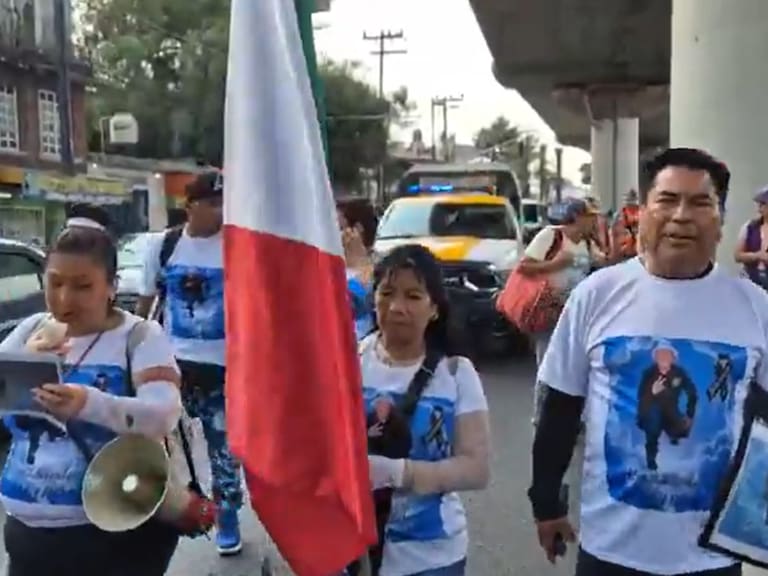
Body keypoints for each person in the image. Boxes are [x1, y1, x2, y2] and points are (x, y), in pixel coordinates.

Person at [529, 147, 764, 576]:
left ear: (721, 217)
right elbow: (560, 408)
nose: (681, 216)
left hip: (712, 558)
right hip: (611, 552)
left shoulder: (754, 308)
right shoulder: (597, 295)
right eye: (668, 200)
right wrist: (546, 502)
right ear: (643, 213)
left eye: (699, 203)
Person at [0, 204, 182, 575]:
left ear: (112, 287)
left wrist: (88, 402)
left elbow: (163, 412)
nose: (65, 299)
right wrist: (26, 363)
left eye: (83, 286)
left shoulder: (139, 336)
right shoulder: (31, 329)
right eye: (55, 283)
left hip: (111, 528)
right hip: (27, 532)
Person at [358, 244, 490, 576]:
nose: (397, 307)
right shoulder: (348, 360)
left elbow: (476, 469)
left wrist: (398, 473)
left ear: (434, 308)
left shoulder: (457, 374)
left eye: (413, 296)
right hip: (353, 552)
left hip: (433, 559)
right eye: (387, 292)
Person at [135, 171, 243, 556]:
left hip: (224, 370)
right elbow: (145, 305)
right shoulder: (164, 247)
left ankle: (227, 512)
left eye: (223, 202)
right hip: (172, 367)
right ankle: (168, 503)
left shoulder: (237, 247)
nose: (220, 210)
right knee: (166, 442)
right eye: (212, 203)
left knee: (223, 447)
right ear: (190, 206)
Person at [517, 197, 604, 424]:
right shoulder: (552, 236)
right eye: (590, 217)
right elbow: (524, 266)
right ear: (576, 216)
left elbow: (604, 265)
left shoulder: (588, 242)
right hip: (549, 309)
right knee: (548, 363)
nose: (594, 221)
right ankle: (542, 417)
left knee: (578, 365)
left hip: (578, 312)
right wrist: (555, 265)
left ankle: (574, 418)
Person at [733, 186, 768, 289]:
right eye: (759, 204)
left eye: (763, 204)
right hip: (751, 280)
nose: (759, 208)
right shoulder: (750, 227)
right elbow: (737, 255)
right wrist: (758, 256)